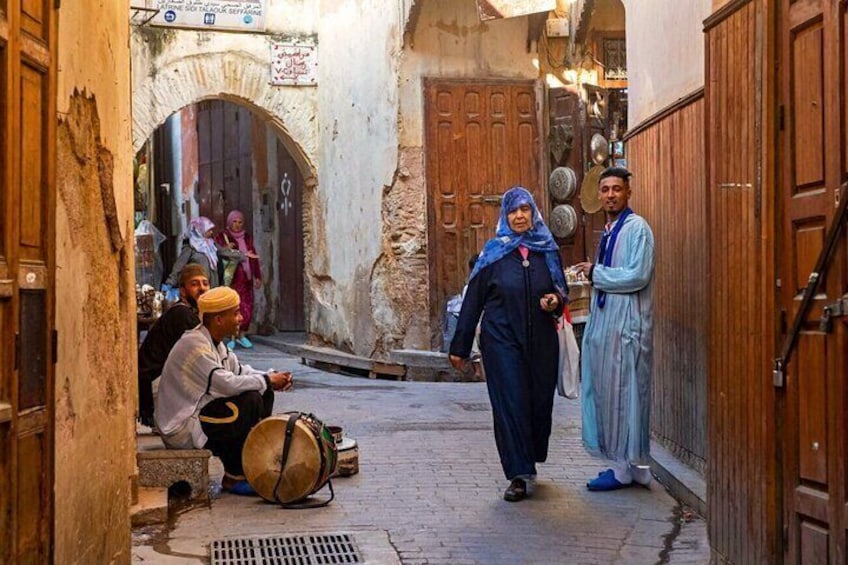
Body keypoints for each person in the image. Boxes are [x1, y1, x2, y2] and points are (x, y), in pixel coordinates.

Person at [449, 186, 567, 502]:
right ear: (505, 215)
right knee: (511, 403)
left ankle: (531, 457)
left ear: (533, 213)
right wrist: (459, 347)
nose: (519, 216)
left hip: (541, 342)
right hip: (501, 341)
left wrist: (555, 300)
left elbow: (561, 291)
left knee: (539, 404)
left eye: (524, 210)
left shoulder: (548, 250)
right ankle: (518, 474)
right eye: (513, 210)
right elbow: (471, 301)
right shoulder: (493, 254)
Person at [154, 286, 294, 495]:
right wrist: (267, 380)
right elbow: (227, 384)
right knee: (250, 402)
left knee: (262, 392)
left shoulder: (216, 344)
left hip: (199, 413)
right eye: (235, 313)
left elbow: (240, 371)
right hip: (181, 427)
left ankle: (247, 465)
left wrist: (271, 376)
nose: (240, 318)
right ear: (219, 319)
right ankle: (234, 474)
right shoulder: (195, 345)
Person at [574, 166, 655, 491]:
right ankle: (633, 466)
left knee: (627, 395)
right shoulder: (610, 230)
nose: (610, 194)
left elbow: (638, 275)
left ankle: (624, 468)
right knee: (615, 395)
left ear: (628, 193)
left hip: (628, 328)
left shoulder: (638, 229)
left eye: (616, 189)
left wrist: (597, 274)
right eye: (605, 189)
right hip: (609, 330)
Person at [137, 264, 210, 428]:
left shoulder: (190, 313)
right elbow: (203, 359)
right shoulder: (182, 315)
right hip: (156, 389)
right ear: (183, 291)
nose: (202, 288)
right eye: (195, 284)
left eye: (205, 283)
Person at [215, 210, 262, 350]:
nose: (237, 225)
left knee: (247, 308)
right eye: (234, 222)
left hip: (246, 280)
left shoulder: (247, 237)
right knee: (234, 307)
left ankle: (242, 335)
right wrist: (225, 248)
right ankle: (232, 336)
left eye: (240, 222)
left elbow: (253, 257)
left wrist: (257, 276)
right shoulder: (223, 236)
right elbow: (217, 252)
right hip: (233, 279)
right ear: (230, 222)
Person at [164, 216, 250, 289]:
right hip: (197, 287)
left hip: (212, 285)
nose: (211, 232)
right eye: (209, 230)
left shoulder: (211, 244)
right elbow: (179, 266)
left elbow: (224, 252)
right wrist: (169, 284)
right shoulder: (190, 246)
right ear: (199, 230)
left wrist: (243, 255)